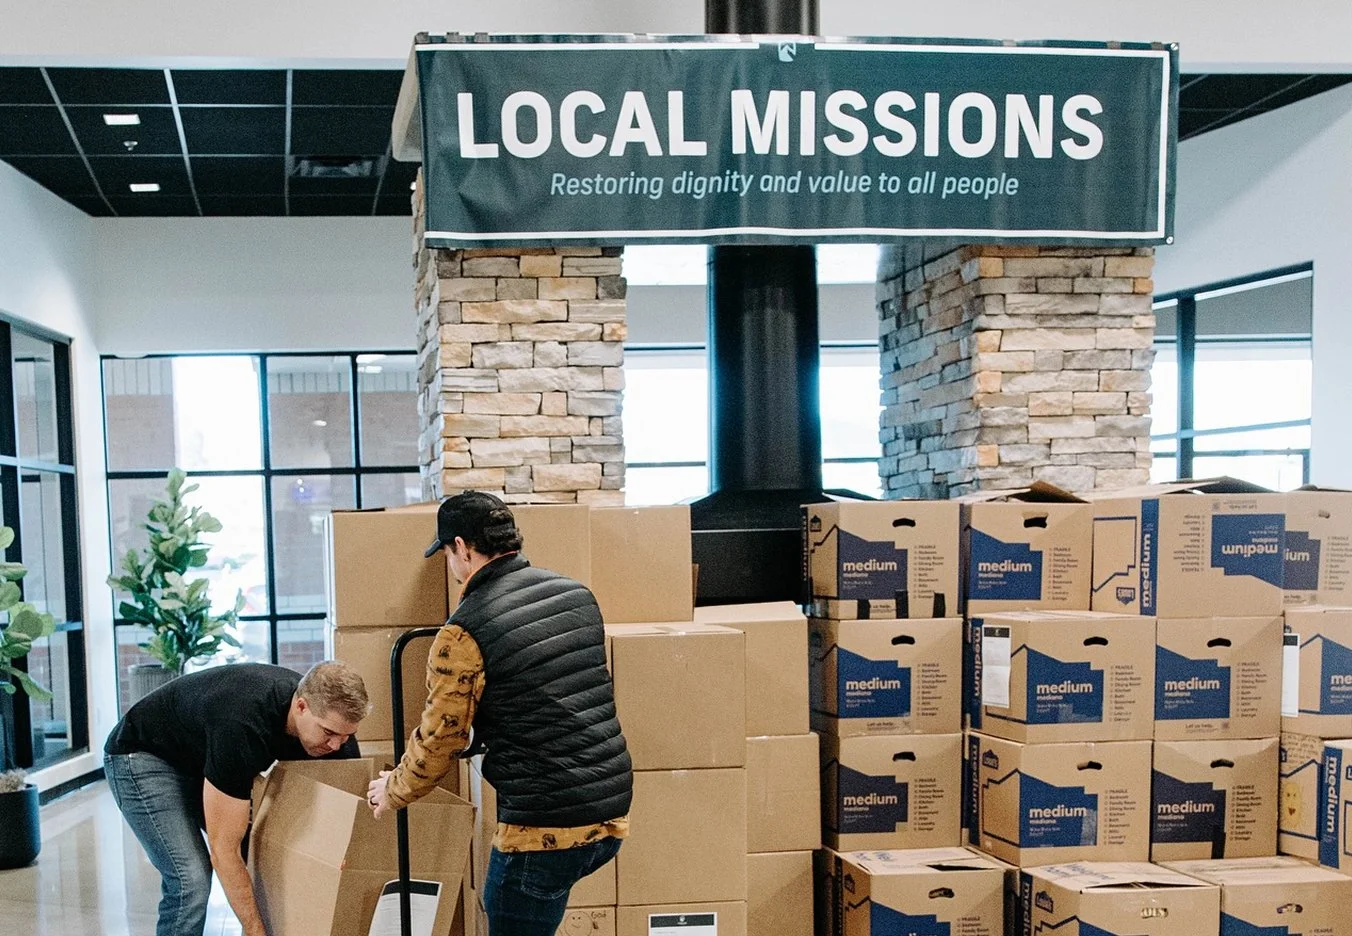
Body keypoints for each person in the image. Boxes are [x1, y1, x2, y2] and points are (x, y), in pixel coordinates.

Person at [367, 490, 632, 936]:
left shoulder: (463, 632)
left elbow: (439, 740)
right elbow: (541, 697)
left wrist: (392, 789)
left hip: (545, 827)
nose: (451, 568)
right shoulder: (575, 595)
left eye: (448, 555)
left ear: (462, 548)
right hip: (609, 812)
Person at [105, 660, 370, 936]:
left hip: (202, 755)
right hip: (145, 755)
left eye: (347, 735)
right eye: (328, 733)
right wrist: (256, 930)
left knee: (263, 853)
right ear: (301, 706)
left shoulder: (336, 734)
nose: (336, 745)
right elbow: (224, 850)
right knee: (190, 879)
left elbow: (345, 834)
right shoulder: (242, 723)